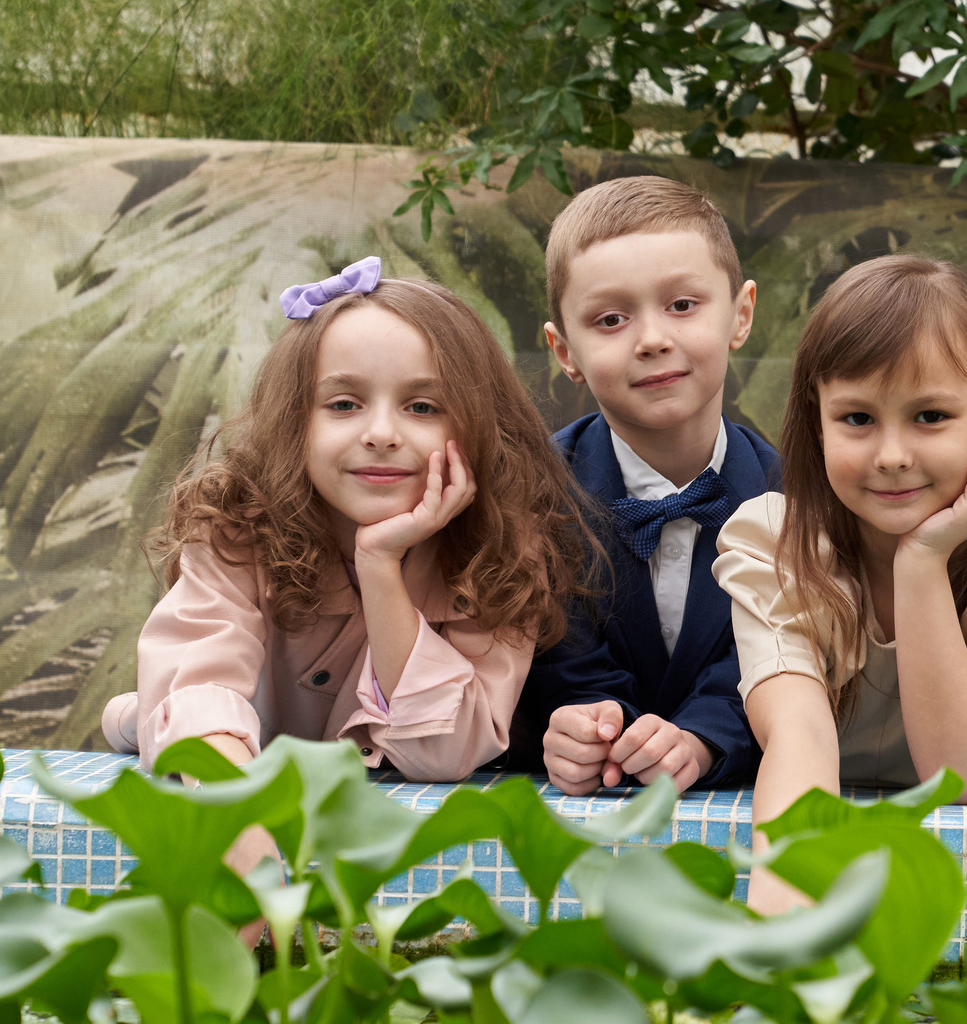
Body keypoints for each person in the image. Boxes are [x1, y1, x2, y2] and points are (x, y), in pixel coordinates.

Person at [714, 256, 967, 909]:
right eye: (857, 418)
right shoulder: (779, 548)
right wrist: (784, 927)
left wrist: (923, 563)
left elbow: (957, 772)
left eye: (930, 415)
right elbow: (799, 734)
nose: (892, 455)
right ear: (816, 418)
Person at [104, 260, 590, 782]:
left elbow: (446, 752)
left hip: (382, 791)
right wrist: (242, 805)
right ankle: (138, 717)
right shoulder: (238, 528)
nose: (381, 434)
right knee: (175, 712)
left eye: (422, 407)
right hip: (243, 765)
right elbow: (200, 695)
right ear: (294, 421)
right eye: (343, 404)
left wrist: (380, 563)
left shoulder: (500, 549)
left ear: (480, 425)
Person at [518, 177, 781, 794]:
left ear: (741, 314)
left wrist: (702, 738)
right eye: (611, 319)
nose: (653, 339)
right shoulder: (531, 496)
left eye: (682, 305)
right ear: (565, 351)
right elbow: (558, 653)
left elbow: (782, 651)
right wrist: (591, 728)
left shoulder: (791, 494)